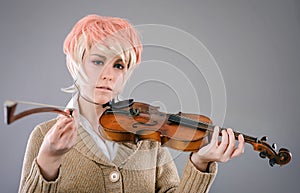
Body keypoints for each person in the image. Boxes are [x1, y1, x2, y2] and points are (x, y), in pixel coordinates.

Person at [18, 14, 245, 193]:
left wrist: (200, 162)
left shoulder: (147, 135)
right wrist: (49, 159)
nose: (108, 75)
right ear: (75, 65)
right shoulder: (44, 136)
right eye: (97, 61)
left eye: (119, 65)